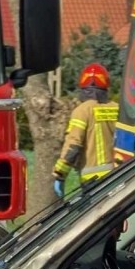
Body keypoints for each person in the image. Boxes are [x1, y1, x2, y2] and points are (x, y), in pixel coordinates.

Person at [53, 63, 118, 196]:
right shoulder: (117, 108)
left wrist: (60, 173)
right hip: (118, 174)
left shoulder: (82, 111)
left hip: (92, 179)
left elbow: (73, 145)